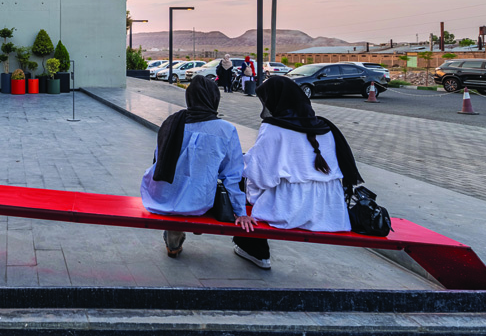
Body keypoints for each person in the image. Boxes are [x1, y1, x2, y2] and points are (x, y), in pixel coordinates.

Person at [231, 76, 363, 269]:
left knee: (240, 179)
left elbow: (261, 176)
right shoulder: (325, 127)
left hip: (288, 209)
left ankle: (255, 249)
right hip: (330, 212)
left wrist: (250, 198)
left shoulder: (273, 128)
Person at [141, 76, 258, 258]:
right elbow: (232, 176)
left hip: (158, 197)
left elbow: (157, 159)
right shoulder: (225, 129)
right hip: (199, 202)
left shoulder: (172, 122)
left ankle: (175, 234)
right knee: (204, 182)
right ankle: (191, 218)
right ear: (214, 99)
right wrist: (240, 211)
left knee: (188, 183)